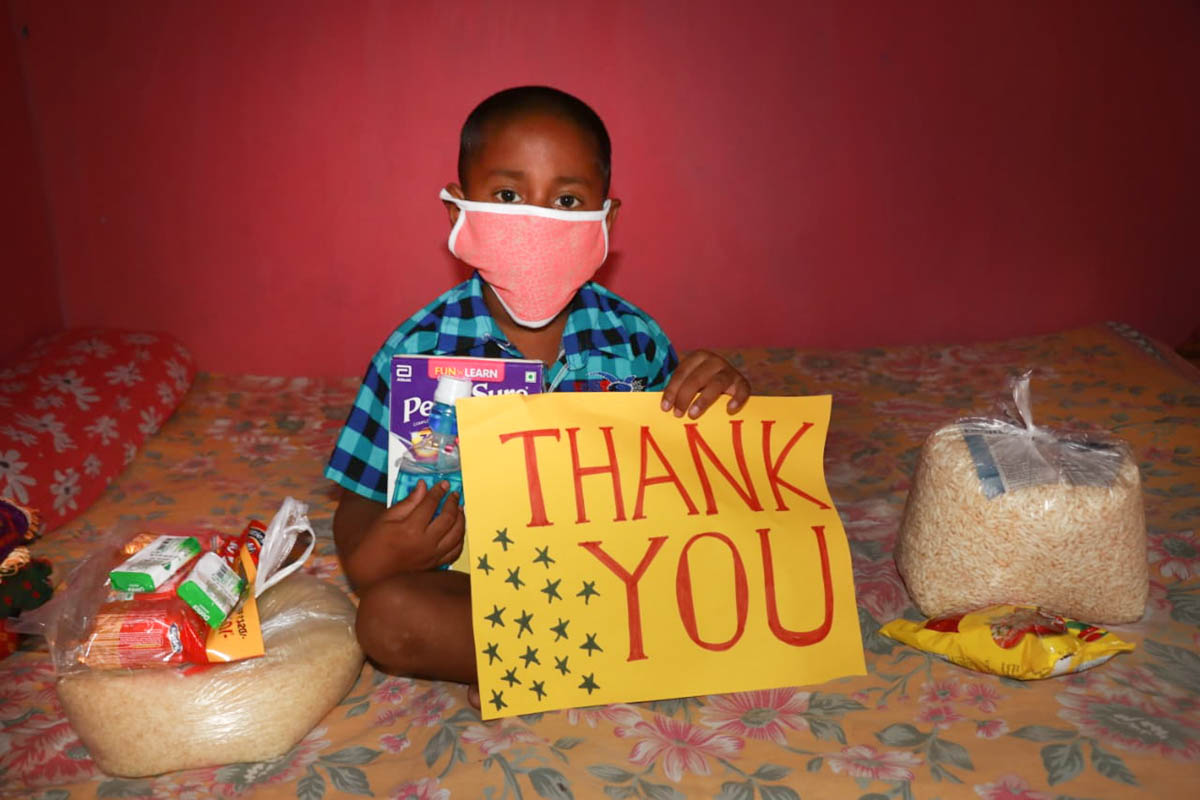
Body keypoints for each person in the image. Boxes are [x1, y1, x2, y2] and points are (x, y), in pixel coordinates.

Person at [326, 86, 751, 705]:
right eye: (507, 195)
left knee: (720, 582)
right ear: (458, 211)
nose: (537, 219)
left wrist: (723, 398)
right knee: (387, 618)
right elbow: (359, 500)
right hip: (483, 589)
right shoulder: (414, 349)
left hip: (615, 579)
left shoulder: (635, 341)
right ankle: (592, 659)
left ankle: (542, 664)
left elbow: (696, 477)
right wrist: (377, 556)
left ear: (605, 220)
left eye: (567, 200)